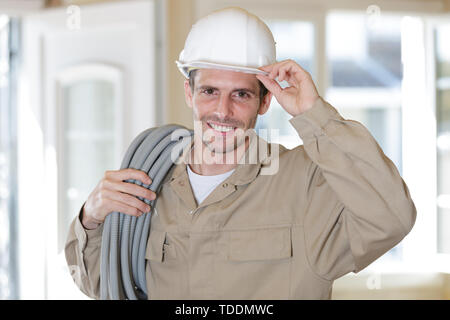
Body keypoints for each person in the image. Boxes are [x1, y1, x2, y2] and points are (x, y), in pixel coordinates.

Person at [65, 7, 416, 299]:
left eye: (242, 95)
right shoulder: (150, 182)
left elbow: (392, 218)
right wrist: (90, 219)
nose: (223, 110)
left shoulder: (305, 182)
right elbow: (101, 283)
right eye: (209, 91)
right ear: (189, 92)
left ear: (265, 101)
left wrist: (313, 114)